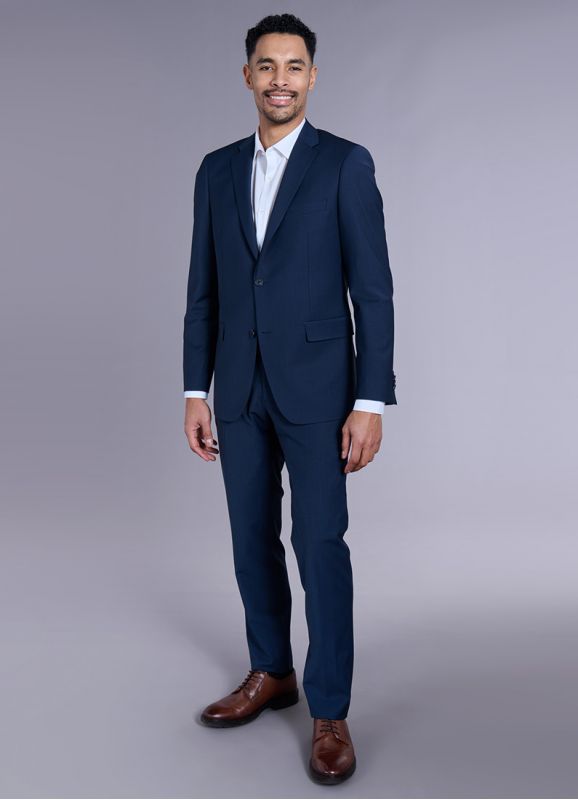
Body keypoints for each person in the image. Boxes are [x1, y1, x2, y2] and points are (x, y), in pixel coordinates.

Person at [182, 13, 396, 785]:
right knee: (250, 539)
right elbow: (202, 291)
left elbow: (373, 292)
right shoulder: (215, 171)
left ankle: (330, 710)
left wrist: (370, 400)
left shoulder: (344, 164)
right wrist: (194, 389)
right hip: (238, 388)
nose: (280, 79)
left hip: (320, 391)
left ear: (312, 76)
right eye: (267, 66)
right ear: (247, 76)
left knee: (319, 544)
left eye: (294, 66)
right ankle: (272, 671)